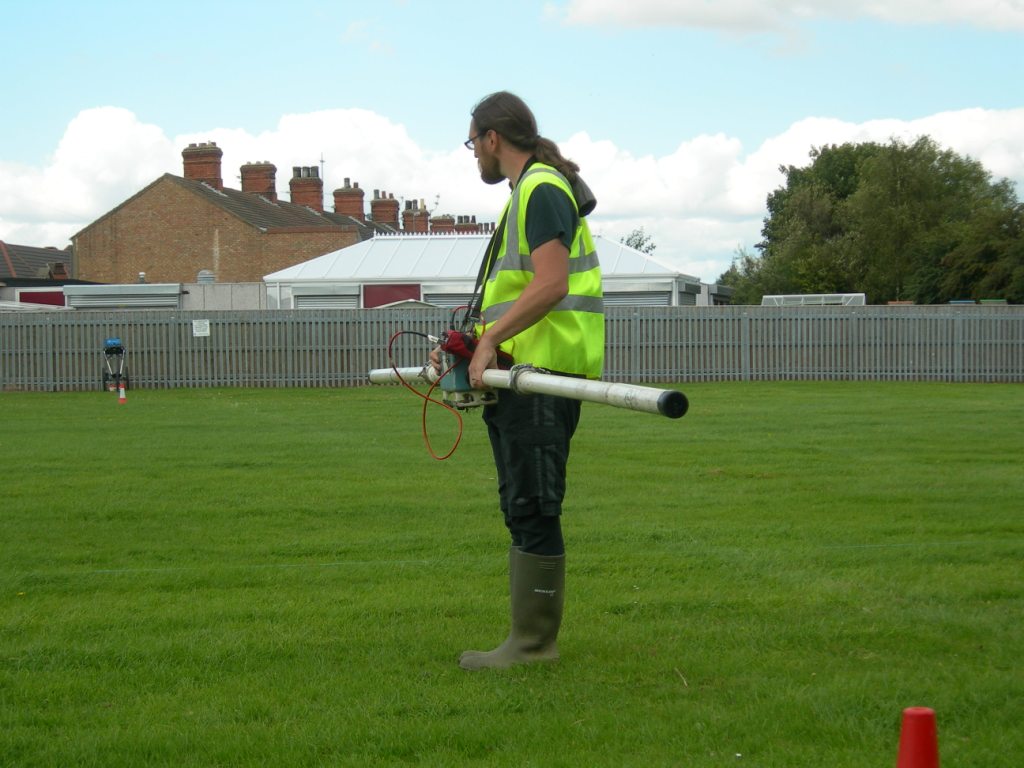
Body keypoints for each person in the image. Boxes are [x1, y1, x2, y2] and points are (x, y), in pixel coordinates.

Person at [432, 91, 604, 670]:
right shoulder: (528, 191)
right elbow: (518, 290)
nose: (473, 154)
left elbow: (551, 284)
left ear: (491, 139)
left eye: (471, 143)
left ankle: (533, 647)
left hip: (541, 377)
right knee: (522, 505)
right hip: (521, 375)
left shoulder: (541, 189)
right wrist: (471, 340)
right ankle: (527, 641)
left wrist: (487, 340)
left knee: (534, 505)